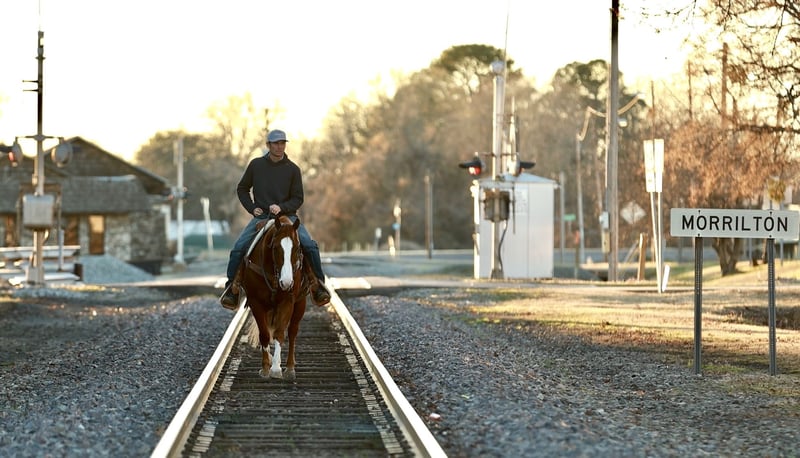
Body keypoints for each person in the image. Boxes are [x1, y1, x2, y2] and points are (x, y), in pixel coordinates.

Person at [220, 129, 331, 309]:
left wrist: (282, 207)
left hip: (288, 217)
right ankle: (232, 290)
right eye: (276, 143)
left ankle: (318, 286)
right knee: (239, 248)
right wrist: (252, 208)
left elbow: (298, 198)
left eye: (282, 143)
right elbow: (242, 189)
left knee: (309, 246)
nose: (279, 147)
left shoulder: (293, 169)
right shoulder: (256, 165)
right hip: (262, 218)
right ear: (268, 145)